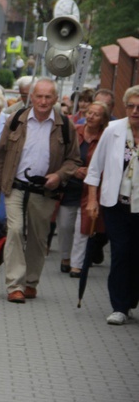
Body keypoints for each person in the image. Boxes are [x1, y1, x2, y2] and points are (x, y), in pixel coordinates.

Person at [0, 78, 80, 303]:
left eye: (48, 97)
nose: (43, 101)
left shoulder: (65, 126)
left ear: (55, 99)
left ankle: (30, 282)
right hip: (15, 187)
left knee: (38, 238)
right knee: (16, 230)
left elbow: (74, 160)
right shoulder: (17, 120)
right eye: (39, 96)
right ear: (32, 97)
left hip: (44, 191)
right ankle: (14, 285)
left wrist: (58, 176)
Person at [85, 86, 139, 325]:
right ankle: (119, 306)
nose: (136, 111)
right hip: (116, 204)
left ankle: (131, 298)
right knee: (120, 253)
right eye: (131, 106)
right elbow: (95, 168)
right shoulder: (114, 130)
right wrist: (92, 200)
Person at [63, 101, 110, 277]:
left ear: (103, 119)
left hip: (92, 187)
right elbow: (63, 155)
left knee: (83, 226)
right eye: (89, 112)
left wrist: (92, 172)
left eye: (96, 114)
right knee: (66, 225)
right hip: (70, 185)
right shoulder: (75, 131)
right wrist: (74, 170)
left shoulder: (106, 137)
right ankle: (66, 258)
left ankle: (77, 265)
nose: (90, 116)